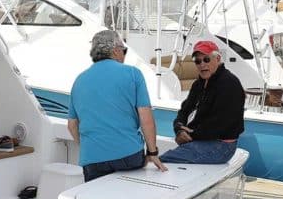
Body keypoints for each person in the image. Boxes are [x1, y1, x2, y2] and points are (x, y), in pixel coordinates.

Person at [66, 31, 166, 182]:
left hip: (92, 159)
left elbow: (72, 125)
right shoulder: (133, 74)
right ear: (115, 50)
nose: (124, 55)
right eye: (124, 51)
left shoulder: (79, 80)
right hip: (129, 156)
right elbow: (146, 119)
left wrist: (90, 148)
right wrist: (153, 153)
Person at [162, 40, 245, 164]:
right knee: (162, 158)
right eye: (197, 61)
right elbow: (184, 110)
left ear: (217, 58)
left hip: (221, 146)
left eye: (206, 59)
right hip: (202, 140)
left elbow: (222, 123)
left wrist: (191, 135)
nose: (202, 64)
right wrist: (179, 129)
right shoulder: (198, 84)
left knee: (164, 160)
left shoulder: (229, 83)